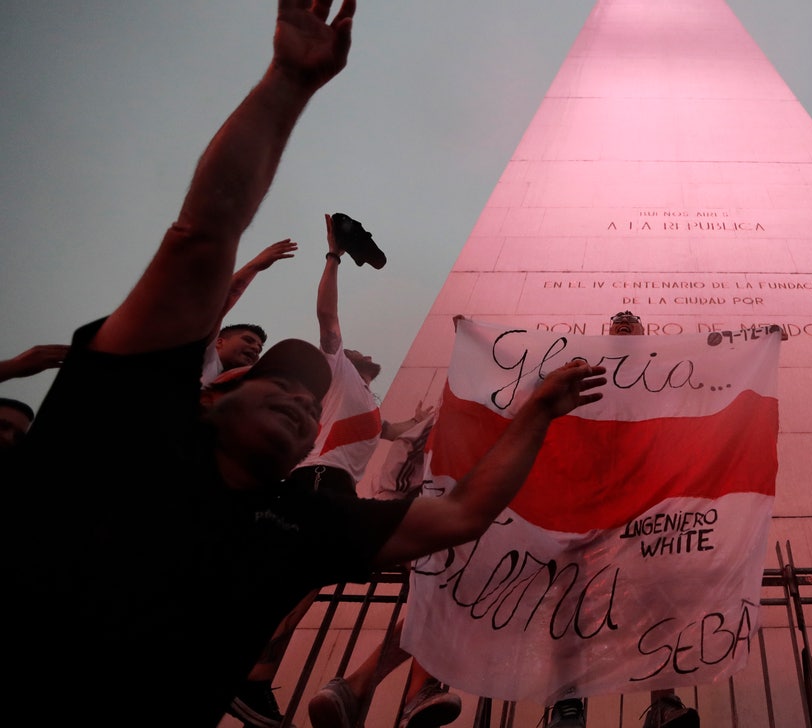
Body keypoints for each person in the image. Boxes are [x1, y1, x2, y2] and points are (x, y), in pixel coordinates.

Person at [6, 4, 606, 726]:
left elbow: (465, 512)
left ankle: (293, 683)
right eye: (276, 386)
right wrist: (287, 83)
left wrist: (536, 410)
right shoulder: (124, 431)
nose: (299, 399)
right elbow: (200, 239)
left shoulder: (301, 524)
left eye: (305, 395)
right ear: (211, 397)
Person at [230, 219, 443, 727]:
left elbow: (400, 430)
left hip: (336, 487)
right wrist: (333, 257)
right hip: (319, 481)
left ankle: (256, 675)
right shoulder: (338, 369)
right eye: (360, 352)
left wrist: (439, 410)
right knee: (312, 577)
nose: (371, 355)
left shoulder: (367, 401)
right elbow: (327, 315)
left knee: (309, 583)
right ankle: (253, 673)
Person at [546, 311, 700, 728]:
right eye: (617, 318)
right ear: (606, 332)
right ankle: (568, 699)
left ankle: (664, 701)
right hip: (589, 492)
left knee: (655, 595)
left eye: (632, 318)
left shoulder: (664, 368)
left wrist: (757, 344)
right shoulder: (583, 366)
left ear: (645, 333)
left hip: (646, 496)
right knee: (573, 596)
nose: (625, 320)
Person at [200, 238, 299, 385]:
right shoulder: (204, 359)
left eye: (259, 349)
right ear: (218, 342)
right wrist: (254, 266)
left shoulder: (238, 390)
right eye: (248, 340)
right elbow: (220, 303)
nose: (255, 348)